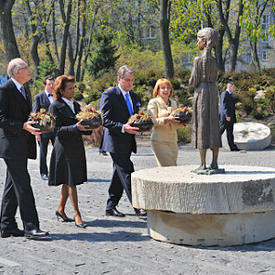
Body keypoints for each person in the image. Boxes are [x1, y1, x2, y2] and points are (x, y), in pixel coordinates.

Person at [0, 58, 49, 239]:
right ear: (16, 71)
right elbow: (1, 118)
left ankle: (7, 225)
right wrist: (22, 126)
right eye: (26, 67)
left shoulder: (24, 89)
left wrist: (38, 123)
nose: (29, 70)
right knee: (23, 186)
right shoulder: (5, 90)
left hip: (21, 144)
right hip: (11, 146)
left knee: (12, 187)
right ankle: (31, 227)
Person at [100, 65, 146, 217]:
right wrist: (122, 127)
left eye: (132, 80)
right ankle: (138, 205)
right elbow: (105, 120)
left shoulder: (133, 96)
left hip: (128, 140)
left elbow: (135, 117)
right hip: (115, 140)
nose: (130, 83)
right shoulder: (109, 95)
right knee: (127, 172)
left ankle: (110, 206)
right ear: (119, 79)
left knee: (118, 173)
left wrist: (142, 124)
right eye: (127, 80)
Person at [48, 75, 91, 228]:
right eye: (70, 88)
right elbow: (56, 130)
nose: (73, 91)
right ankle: (77, 214)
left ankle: (60, 209)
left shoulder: (76, 105)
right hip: (64, 147)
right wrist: (74, 128)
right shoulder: (55, 106)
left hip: (76, 146)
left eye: (74, 88)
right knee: (71, 181)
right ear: (61, 90)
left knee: (68, 180)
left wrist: (90, 126)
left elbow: (81, 125)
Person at [189, 27, 222, 170]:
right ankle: (214, 163)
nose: (197, 42)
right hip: (213, 92)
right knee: (214, 125)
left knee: (202, 125)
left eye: (198, 39)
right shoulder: (215, 60)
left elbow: (193, 81)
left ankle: (202, 164)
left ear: (204, 40)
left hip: (202, 93)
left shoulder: (198, 60)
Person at [147, 78, 181, 167]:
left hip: (172, 141)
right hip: (159, 141)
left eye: (168, 88)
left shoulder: (173, 103)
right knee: (167, 168)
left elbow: (175, 122)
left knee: (173, 166)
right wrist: (166, 119)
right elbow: (152, 121)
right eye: (162, 88)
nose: (166, 90)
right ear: (157, 90)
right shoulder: (153, 102)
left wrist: (182, 122)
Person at [33, 76, 56, 180]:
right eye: (49, 84)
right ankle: (43, 172)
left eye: (53, 84)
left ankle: (56, 172)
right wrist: (37, 132)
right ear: (44, 85)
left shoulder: (57, 97)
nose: (51, 86)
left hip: (56, 130)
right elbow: (35, 115)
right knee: (43, 152)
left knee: (58, 151)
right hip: (43, 130)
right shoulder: (38, 97)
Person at [219, 83, 239, 151]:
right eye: (233, 87)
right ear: (229, 87)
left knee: (230, 132)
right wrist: (227, 115)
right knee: (220, 130)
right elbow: (224, 105)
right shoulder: (224, 94)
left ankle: (232, 147)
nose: (234, 89)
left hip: (230, 117)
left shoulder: (230, 95)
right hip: (226, 117)